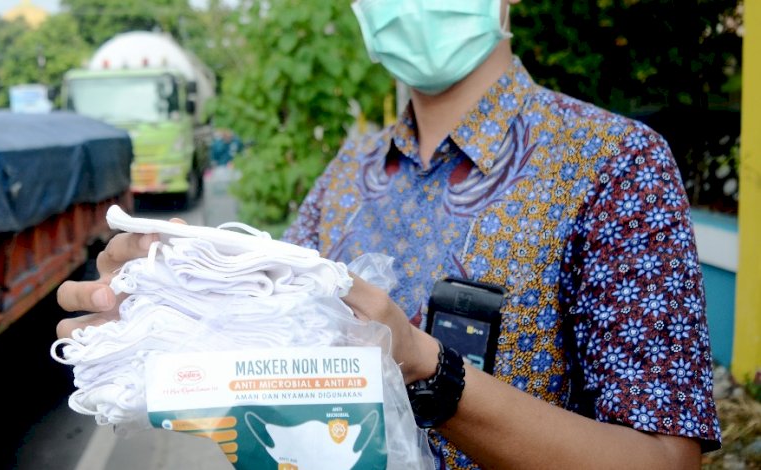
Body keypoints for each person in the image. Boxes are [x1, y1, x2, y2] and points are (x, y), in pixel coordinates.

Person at [56, 0, 721, 468]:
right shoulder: (347, 177)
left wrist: (427, 368)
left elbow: (662, 459)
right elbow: (265, 357)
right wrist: (176, 296)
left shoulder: (611, 164)